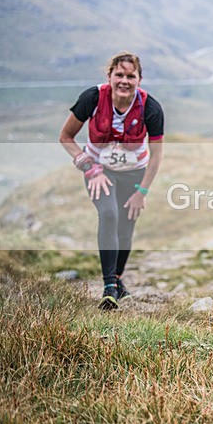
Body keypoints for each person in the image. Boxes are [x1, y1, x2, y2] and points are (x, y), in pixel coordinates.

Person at [59, 51, 164, 310]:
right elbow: (66, 137)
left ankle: (117, 279)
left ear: (139, 79)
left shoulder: (151, 108)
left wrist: (142, 191)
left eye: (131, 76)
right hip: (98, 171)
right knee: (108, 214)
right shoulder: (92, 98)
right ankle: (108, 287)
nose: (124, 81)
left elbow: (157, 154)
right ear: (109, 76)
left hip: (134, 173)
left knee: (126, 228)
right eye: (119, 74)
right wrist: (88, 166)